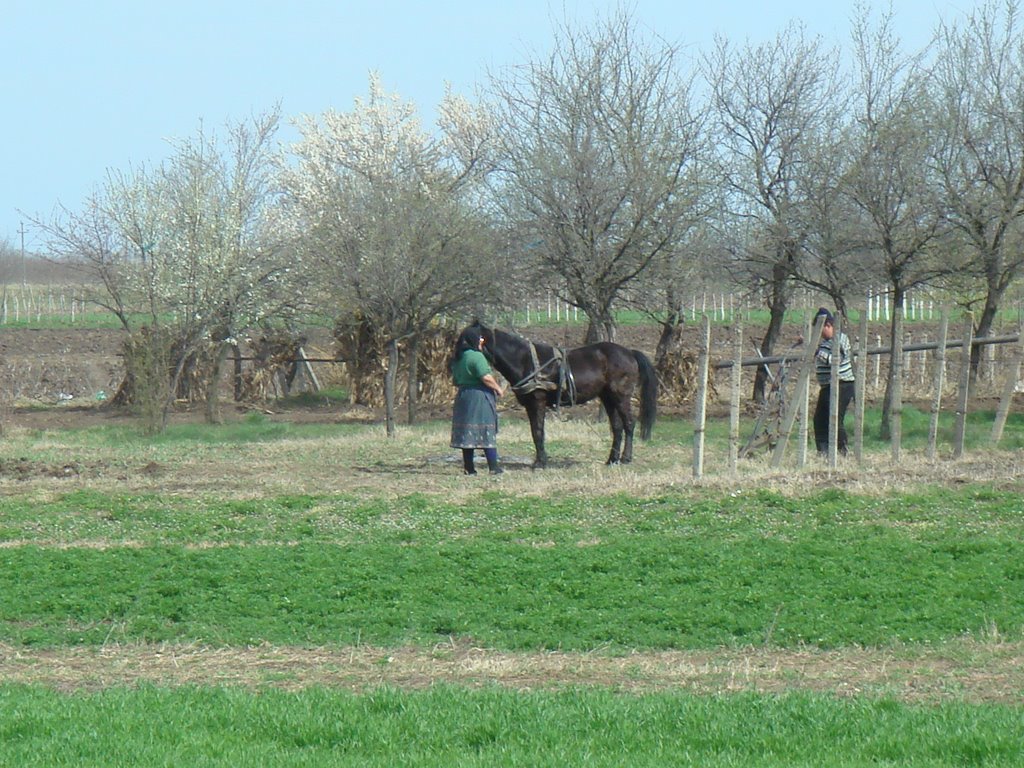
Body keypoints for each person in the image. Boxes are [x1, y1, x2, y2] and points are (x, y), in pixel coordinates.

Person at [449, 327, 505, 475]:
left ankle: (469, 468)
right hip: (479, 396)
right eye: (479, 338)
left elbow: (455, 380)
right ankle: (493, 467)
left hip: (463, 396)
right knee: (486, 429)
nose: (482, 340)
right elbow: (485, 377)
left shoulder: (457, 357)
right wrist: (498, 389)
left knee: (468, 433)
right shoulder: (477, 356)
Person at [813, 307, 855, 456]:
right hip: (828, 386)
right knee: (819, 419)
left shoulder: (840, 339)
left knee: (835, 418)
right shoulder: (826, 343)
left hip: (841, 384)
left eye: (820, 329)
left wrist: (817, 352)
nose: (819, 334)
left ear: (828, 325)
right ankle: (823, 451)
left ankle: (842, 450)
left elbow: (835, 361)